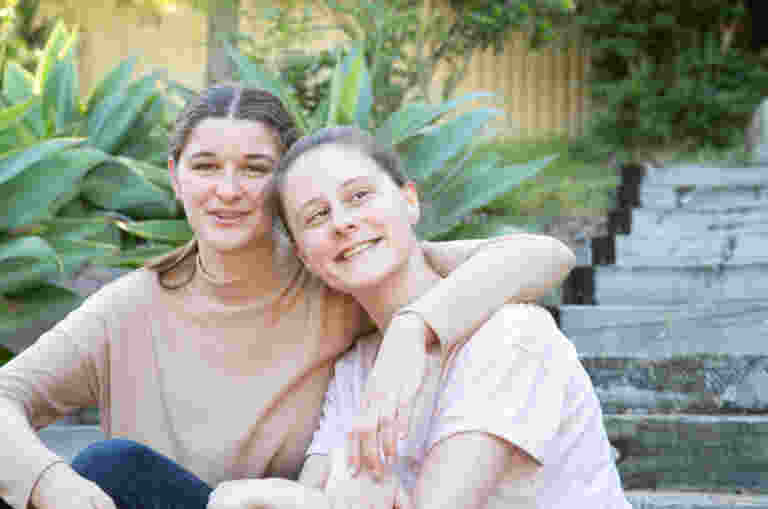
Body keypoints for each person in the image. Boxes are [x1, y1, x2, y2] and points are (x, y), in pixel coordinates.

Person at [0, 85, 576, 509]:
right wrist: (50, 483)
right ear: (176, 176)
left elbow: (539, 255)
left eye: (255, 169)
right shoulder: (128, 308)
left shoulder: (335, 274)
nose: (227, 191)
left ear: (284, 188)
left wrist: (412, 329)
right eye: (205, 167)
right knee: (105, 468)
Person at [207, 126, 630, 509]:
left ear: (409, 200)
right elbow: (317, 493)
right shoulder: (356, 369)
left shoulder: (510, 333)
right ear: (305, 256)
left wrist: (259, 493)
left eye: (359, 196)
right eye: (317, 216)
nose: (343, 223)